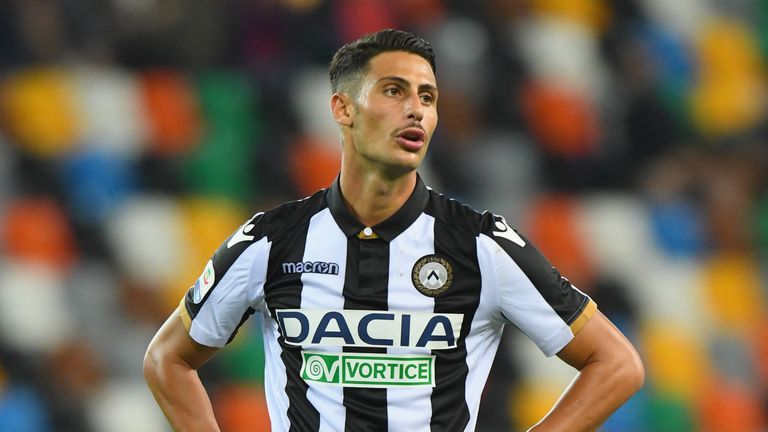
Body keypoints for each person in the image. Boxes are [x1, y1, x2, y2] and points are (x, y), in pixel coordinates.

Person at [143, 28, 644, 432]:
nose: (416, 110)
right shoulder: (273, 241)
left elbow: (617, 363)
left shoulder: (480, 245)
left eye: (427, 97)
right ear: (343, 109)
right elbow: (167, 358)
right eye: (393, 91)